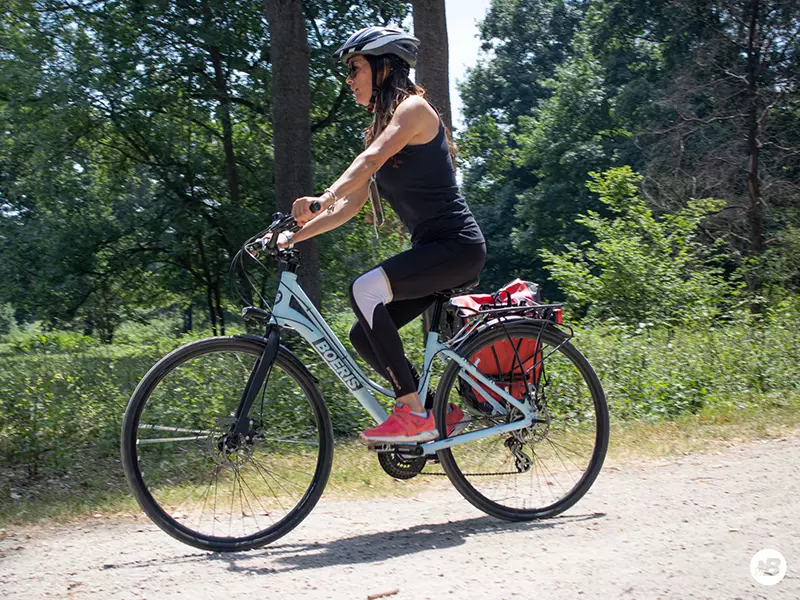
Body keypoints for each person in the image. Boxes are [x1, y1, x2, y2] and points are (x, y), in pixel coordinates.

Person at [268, 26, 486, 444]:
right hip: (435, 253)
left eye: (355, 68)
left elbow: (368, 162)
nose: (349, 79)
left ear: (384, 67)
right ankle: (437, 411)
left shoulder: (415, 111)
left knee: (363, 289)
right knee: (360, 333)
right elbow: (348, 208)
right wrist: (294, 234)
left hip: (456, 247)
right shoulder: (384, 128)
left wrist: (323, 194)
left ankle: (413, 413)